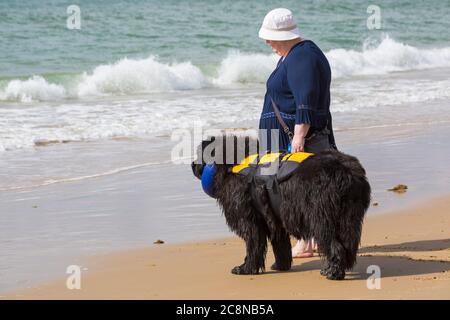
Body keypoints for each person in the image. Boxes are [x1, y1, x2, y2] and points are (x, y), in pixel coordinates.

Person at [257, 8, 337, 258]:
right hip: (283, 137)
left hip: (295, 139)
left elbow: (306, 100)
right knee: (297, 190)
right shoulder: (294, 55)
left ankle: (305, 242)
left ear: (285, 35)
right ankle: (310, 240)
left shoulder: (303, 56)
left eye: (270, 37)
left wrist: (299, 137)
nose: (268, 42)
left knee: (299, 191)